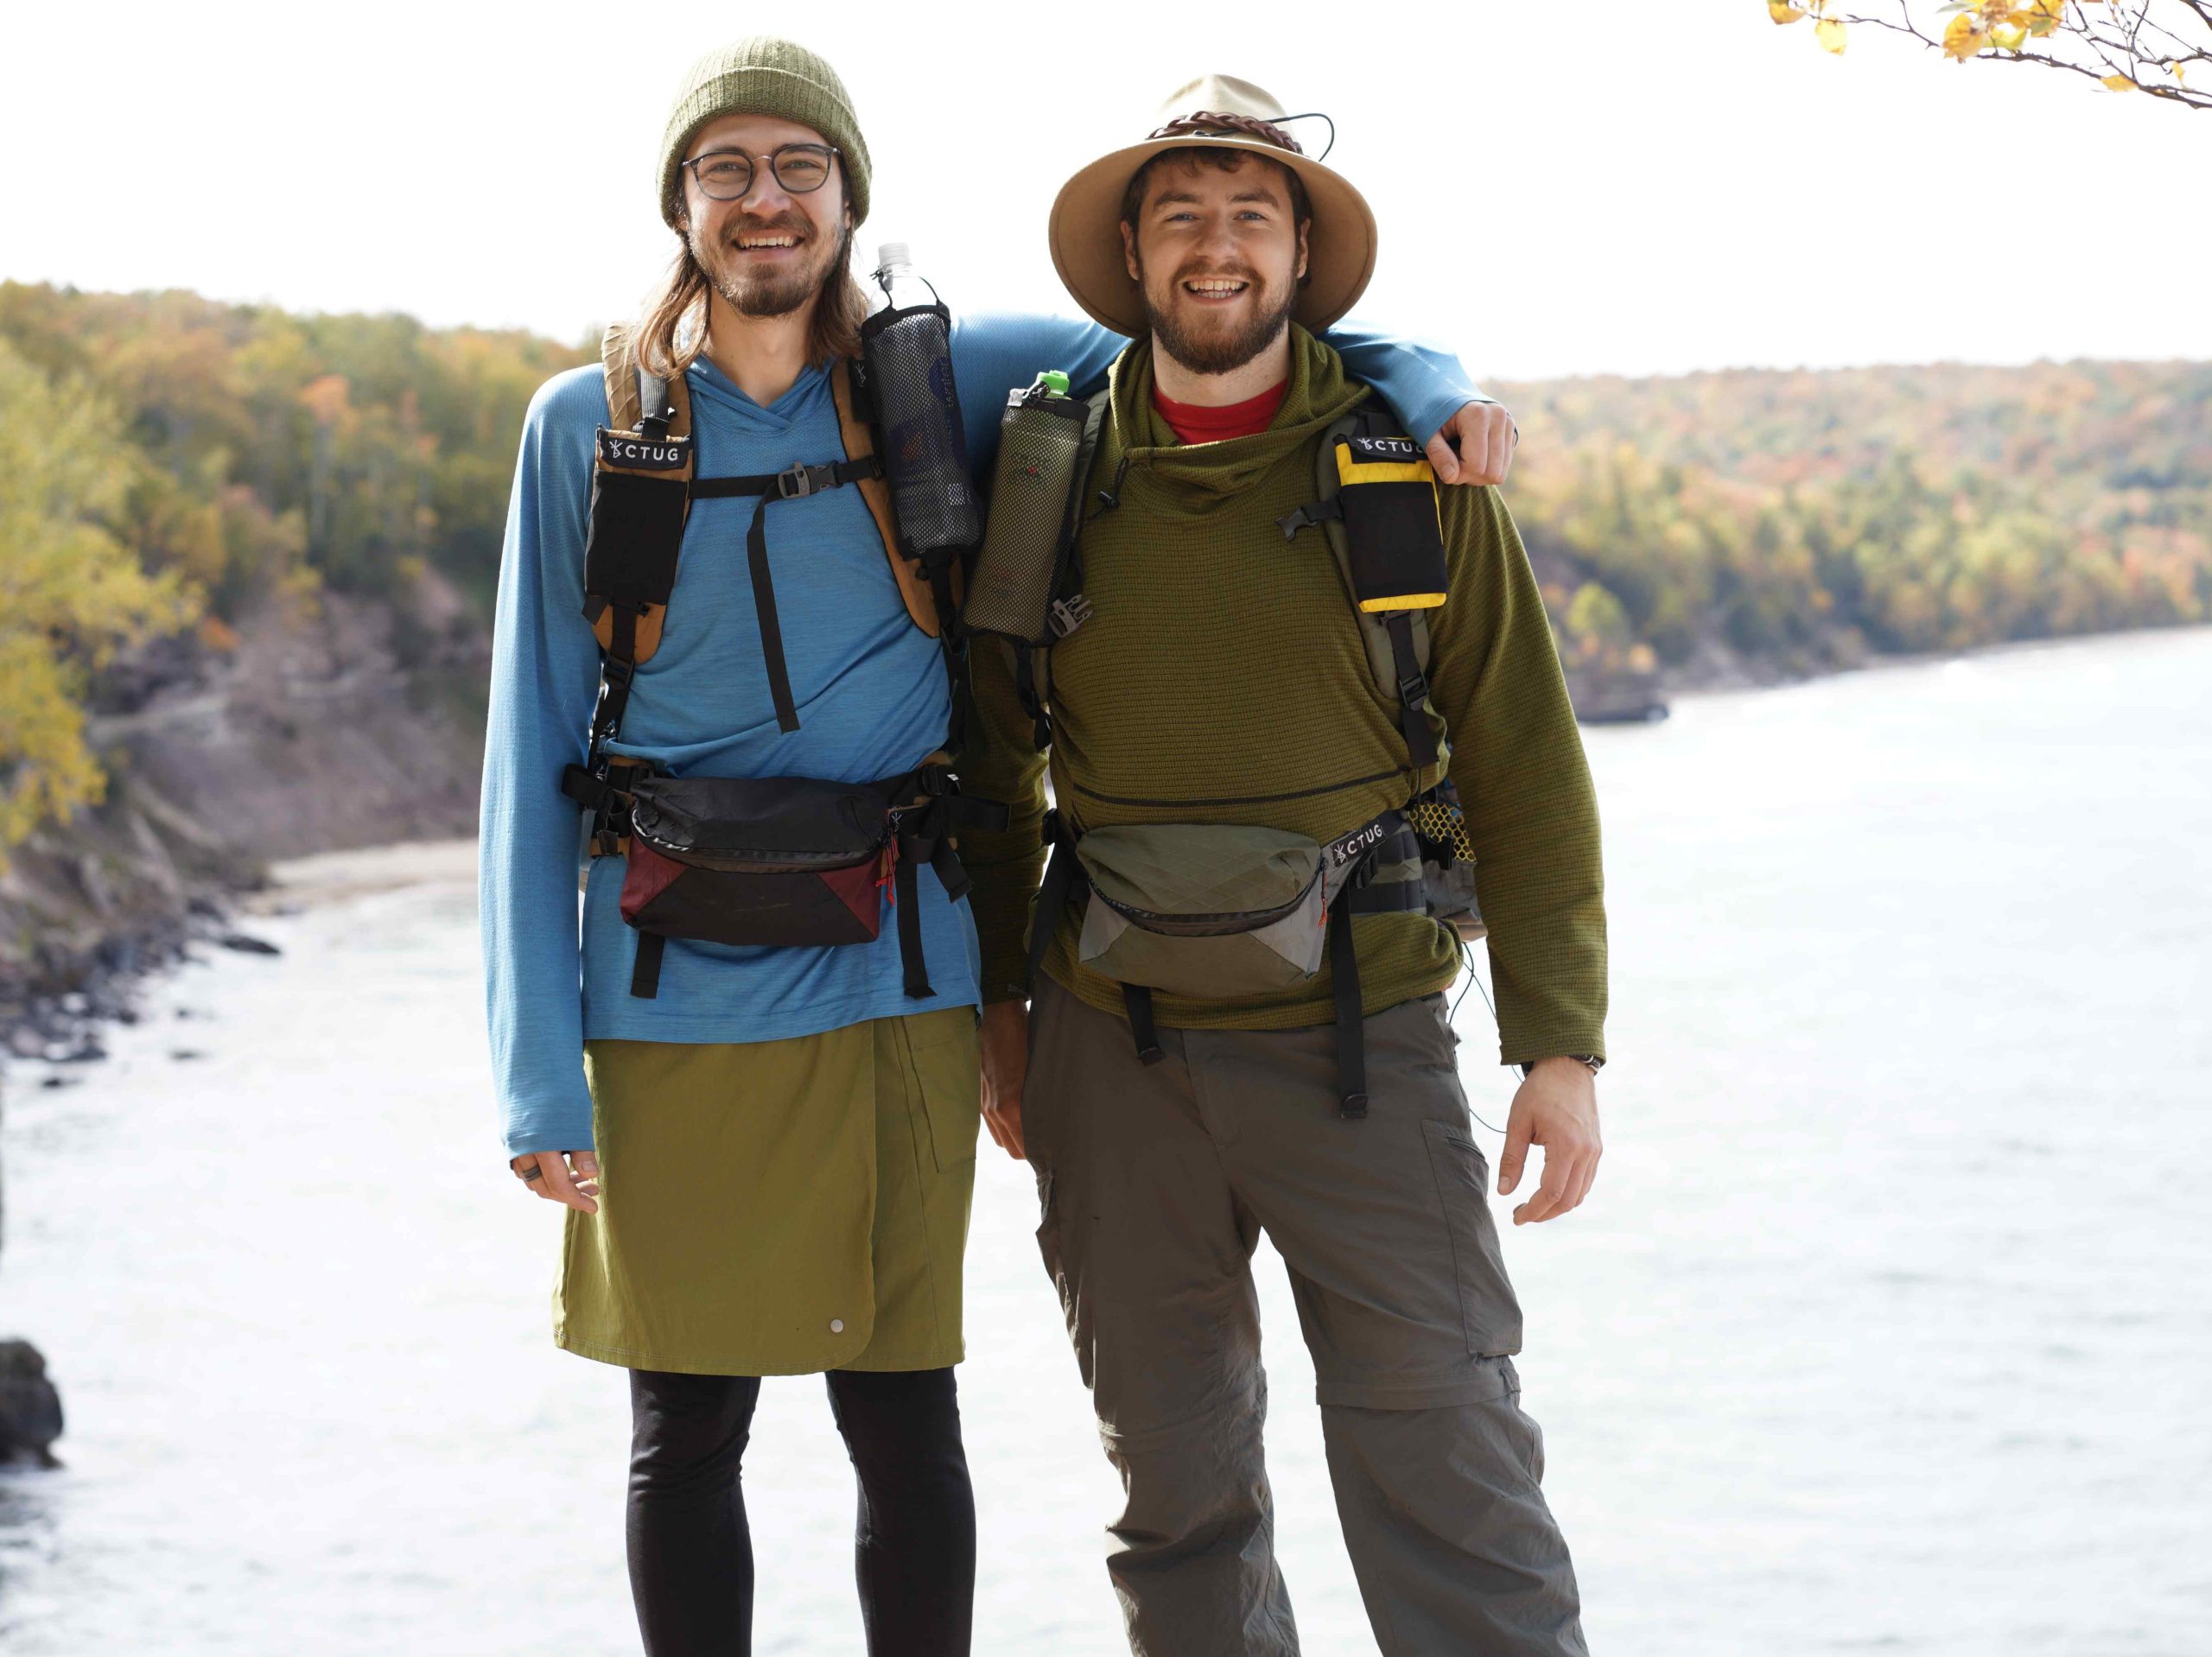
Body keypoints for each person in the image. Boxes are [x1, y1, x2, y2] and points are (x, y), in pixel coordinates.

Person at [479, 39, 1516, 1657]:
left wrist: (1430, 375)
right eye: (728, 171)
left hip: (900, 972)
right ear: (680, 206)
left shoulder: (938, 378)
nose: (767, 203)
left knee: (905, 1417)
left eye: (800, 169)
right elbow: (524, 759)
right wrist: (538, 1074)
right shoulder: (587, 427)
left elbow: (1213, 324)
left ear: (848, 196)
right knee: (685, 1424)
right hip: (663, 990)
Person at [962, 77, 1607, 1656]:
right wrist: (996, 1015)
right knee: (1177, 1498)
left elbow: (1526, 762)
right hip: (1114, 1054)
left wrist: (1561, 1047)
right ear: (1129, 251)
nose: (1217, 246)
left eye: (1255, 213)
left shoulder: (1415, 473)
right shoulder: (1041, 469)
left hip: (1365, 1046)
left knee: (1449, 1462)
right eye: (1179, 212)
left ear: (1306, 256)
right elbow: (991, 770)